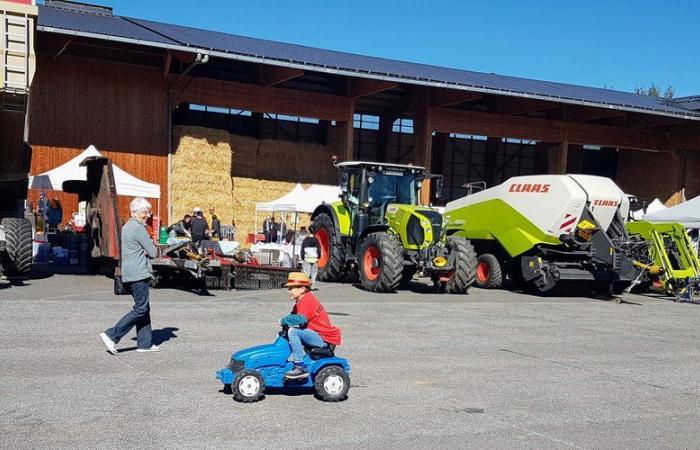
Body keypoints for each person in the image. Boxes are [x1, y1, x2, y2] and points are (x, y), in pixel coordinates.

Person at [100, 197, 161, 354]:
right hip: (138, 274)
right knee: (141, 309)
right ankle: (112, 335)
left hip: (129, 273)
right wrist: (151, 244)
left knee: (144, 308)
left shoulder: (127, 226)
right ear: (135, 212)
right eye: (145, 212)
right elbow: (153, 252)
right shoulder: (139, 228)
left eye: (148, 212)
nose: (147, 215)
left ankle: (144, 343)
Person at [279, 272, 341, 379]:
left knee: (293, 331)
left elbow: (301, 319)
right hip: (317, 334)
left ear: (302, 289)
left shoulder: (306, 300)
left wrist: (283, 320)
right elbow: (293, 316)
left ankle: (300, 367)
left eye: (291, 288)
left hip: (323, 339)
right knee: (285, 333)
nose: (288, 291)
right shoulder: (301, 300)